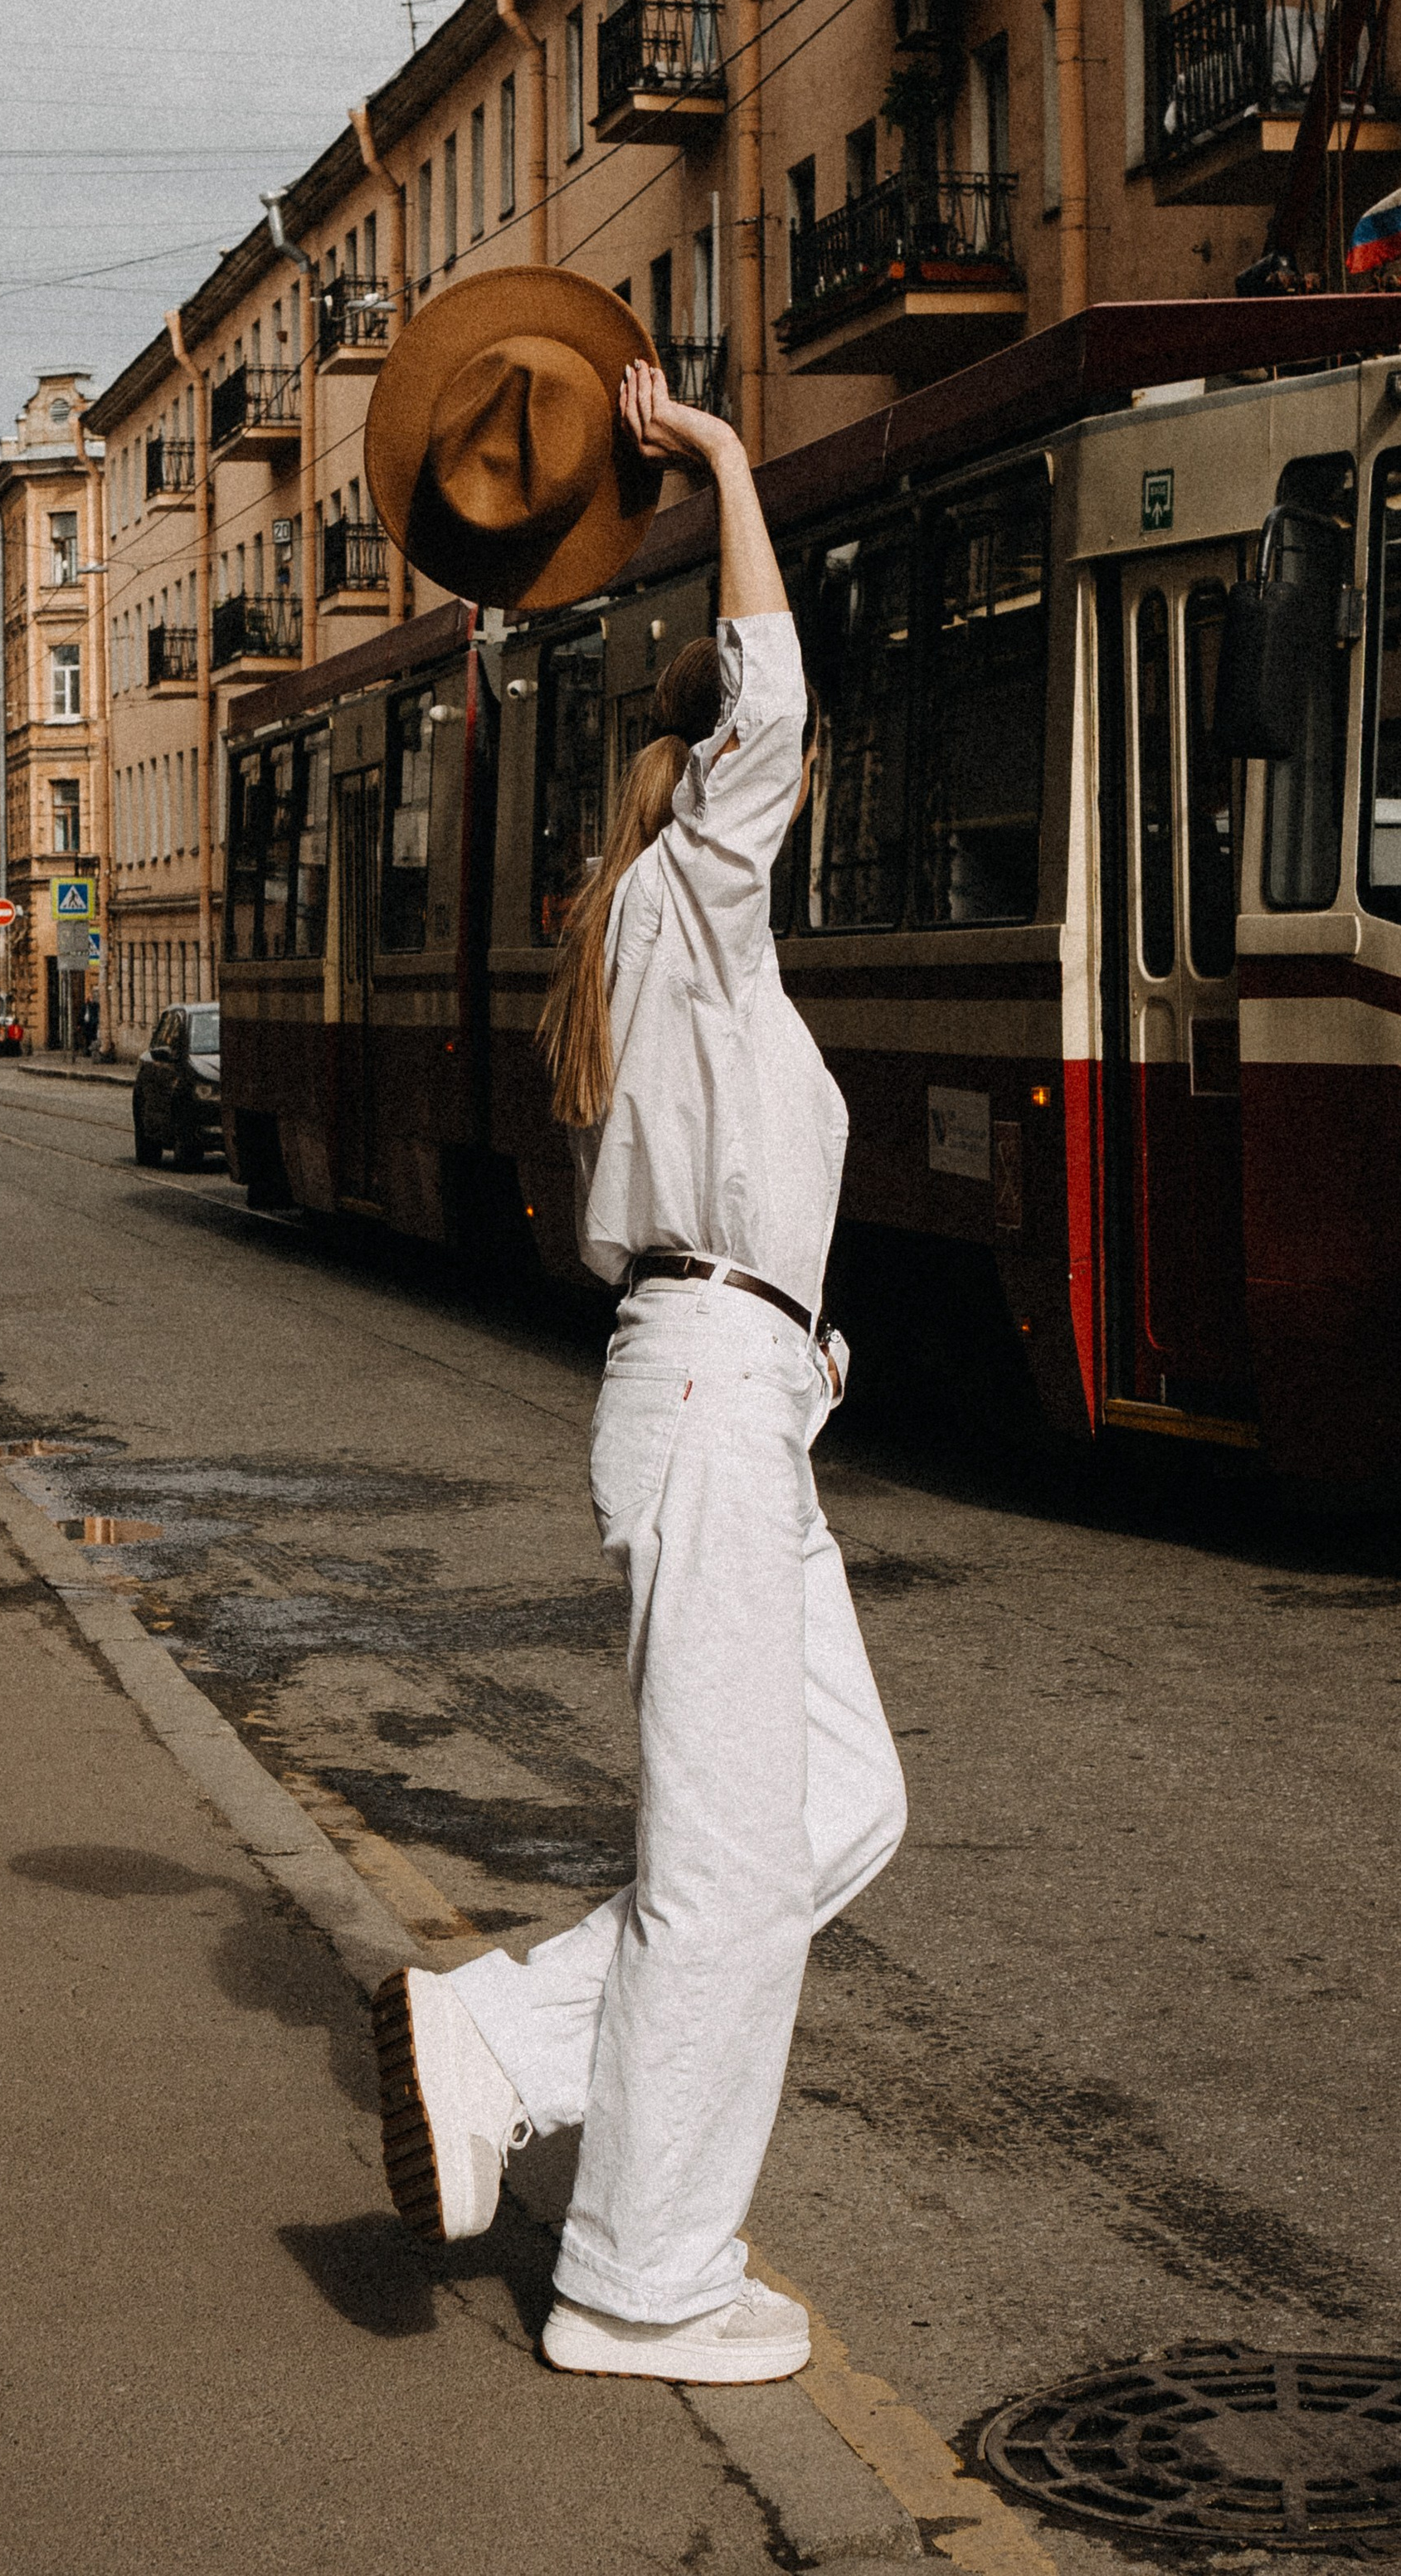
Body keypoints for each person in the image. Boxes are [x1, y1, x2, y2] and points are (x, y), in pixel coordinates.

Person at [372, 362, 906, 2387]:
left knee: (837, 1807)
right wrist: (727, 464)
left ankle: (501, 2040)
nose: (803, 780)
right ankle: (638, 2272)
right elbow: (765, 693)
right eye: (779, 770)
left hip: (742, 1405)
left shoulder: (693, 946)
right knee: (718, 1870)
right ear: (711, 780)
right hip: (704, 1406)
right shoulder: (691, 885)